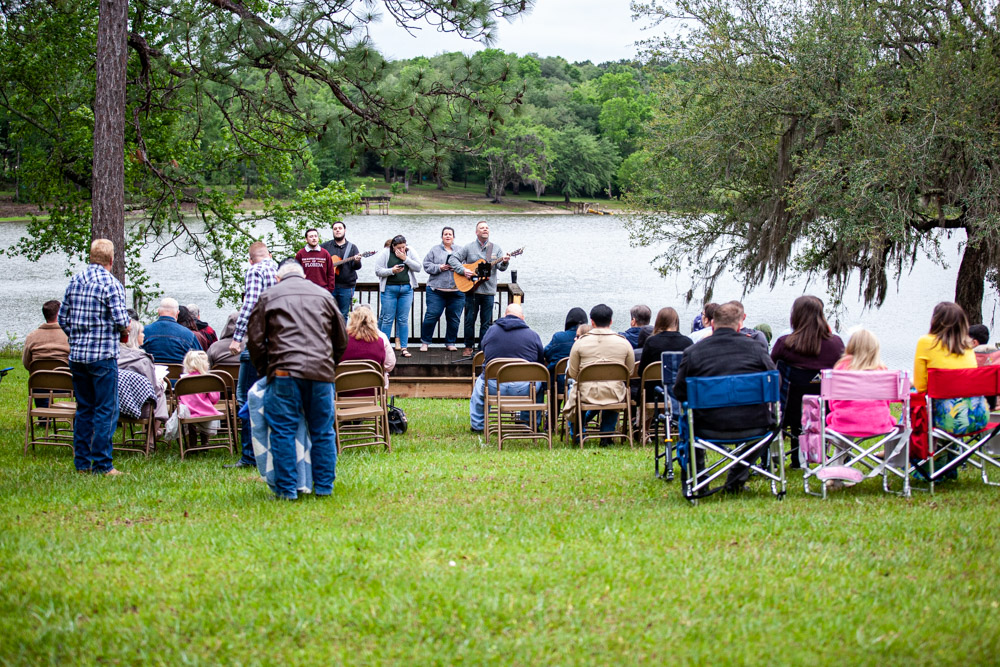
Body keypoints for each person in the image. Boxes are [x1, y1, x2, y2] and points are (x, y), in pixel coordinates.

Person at [247, 260, 349, 500]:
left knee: (283, 430)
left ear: (279, 279)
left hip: (283, 371)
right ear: (303, 276)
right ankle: (324, 487)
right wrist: (329, 364)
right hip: (321, 373)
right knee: (323, 431)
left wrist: (265, 371)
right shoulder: (324, 295)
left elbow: (255, 340)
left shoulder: (268, 296)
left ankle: (287, 489)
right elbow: (341, 338)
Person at [673, 301, 777, 491]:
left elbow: (679, 391)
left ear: (712, 324)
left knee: (688, 421)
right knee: (771, 425)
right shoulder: (757, 349)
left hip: (706, 426)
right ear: (739, 325)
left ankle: (700, 480)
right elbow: (774, 384)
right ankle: (737, 477)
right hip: (755, 425)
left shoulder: (693, 352)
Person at [57, 238, 129, 475]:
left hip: (77, 356)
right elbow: (120, 320)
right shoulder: (111, 284)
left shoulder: (75, 280)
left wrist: (76, 337)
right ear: (111, 259)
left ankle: (81, 463)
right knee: (106, 410)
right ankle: (103, 464)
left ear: (91, 257)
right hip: (102, 355)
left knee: (84, 408)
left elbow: (63, 319)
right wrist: (125, 329)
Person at [770, 295, 845, 467]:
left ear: (795, 316)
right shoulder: (836, 344)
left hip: (788, 410)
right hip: (825, 410)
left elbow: (768, 369)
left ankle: (792, 459)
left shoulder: (785, 343)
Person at [226, 240, 278, 469]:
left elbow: (249, 305)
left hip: (257, 342)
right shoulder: (277, 270)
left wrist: (237, 338)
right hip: (278, 343)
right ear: (269, 254)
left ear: (250, 259)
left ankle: (249, 455)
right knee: (270, 396)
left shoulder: (255, 271)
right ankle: (270, 448)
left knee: (248, 398)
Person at [564, 304, 635, 445]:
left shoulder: (580, 343)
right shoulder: (624, 343)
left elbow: (572, 373)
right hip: (615, 393)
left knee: (576, 391)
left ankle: (579, 434)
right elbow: (630, 372)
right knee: (613, 390)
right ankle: (606, 435)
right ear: (611, 321)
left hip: (586, 394)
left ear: (592, 322)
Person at [913, 301, 987, 434]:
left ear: (935, 320)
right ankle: (951, 454)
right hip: (977, 418)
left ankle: (898, 451)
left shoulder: (926, 342)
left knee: (912, 407)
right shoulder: (969, 346)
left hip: (947, 420)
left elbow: (921, 387)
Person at [469, 303, 544, 433]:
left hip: (494, 386)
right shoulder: (533, 335)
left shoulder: (490, 332)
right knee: (538, 383)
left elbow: (484, 351)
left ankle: (478, 425)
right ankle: (529, 423)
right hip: (524, 388)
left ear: (505, 315)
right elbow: (540, 361)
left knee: (480, 384)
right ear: (522, 318)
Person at [448, 220, 510, 357]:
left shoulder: (496, 248)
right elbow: (453, 259)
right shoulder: (468, 247)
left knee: (486, 322)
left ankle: (483, 348)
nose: (485, 230)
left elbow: (501, 268)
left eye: (487, 228)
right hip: (472, 290)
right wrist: (463, 271)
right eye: (482, 228)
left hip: (488, 291)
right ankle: (468, 347)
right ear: (477, 232)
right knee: (470, 320)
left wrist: (505, 261)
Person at [826, 328, 897, 437]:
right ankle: (890, 453)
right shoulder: (881, 370)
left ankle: (841, 453)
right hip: (879, 423)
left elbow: (832, 402)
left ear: (851, 346)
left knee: (843, 416)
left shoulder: (841, 368)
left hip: (844, 424)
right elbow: (886, 402)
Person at [374, 235, 421, 358]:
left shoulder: (409, 251)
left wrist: (405, 259)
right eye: (399, 248)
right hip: (389, 289)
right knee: (388, 319)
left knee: (403, 319)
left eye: (403, 247)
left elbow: (418, 267)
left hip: (406, 289)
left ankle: (404, 348)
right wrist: (392, 271)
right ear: (393, 246)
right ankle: (384, 348)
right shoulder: (385, 253)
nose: (401, 249)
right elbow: (378, 271)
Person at [419, 226, 465, 352]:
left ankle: (450, 342)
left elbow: (467, 266)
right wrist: (440, 267)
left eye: (450, 234)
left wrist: (456, 268)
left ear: (453, 237)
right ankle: (425, 342)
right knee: (431, 315)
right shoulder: (434, 250)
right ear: (442, 237)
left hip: (457, 291)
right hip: (436, 291)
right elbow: (426, 265)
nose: (448, 236)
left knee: (454, 318)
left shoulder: (461, 250)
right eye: (445, 234)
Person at [118, 319, 169, 425]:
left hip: (113, 404)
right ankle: (153, 435)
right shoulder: (142, 360)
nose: (143, 335)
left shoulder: (114, 356)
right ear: (134, 336)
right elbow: (154, 390)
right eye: (141, 332)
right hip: (139, 408)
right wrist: (160, 384)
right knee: (160, 393)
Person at [638, 307, 694, 399]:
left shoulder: (651, 341)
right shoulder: (687, 342)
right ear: (676, 322)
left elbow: (642, 372)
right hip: (679, 391)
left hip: (654, 392)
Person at [177, 350, 222, 449]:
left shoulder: (183, 381)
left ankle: (192, 444)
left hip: (188, 413)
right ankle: (204, 442)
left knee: (190, 424)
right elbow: (214, 398)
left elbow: (178, 397)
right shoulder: (208, 379)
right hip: (206, 411)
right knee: (206, 422)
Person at [342, 304, 388, 396]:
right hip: (372, 391)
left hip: (343, 390)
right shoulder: (379, 342)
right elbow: (385, 364)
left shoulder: (342, 340)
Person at [321, 220, 363, 315]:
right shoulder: (325, 247)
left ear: (345, 230)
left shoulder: (352, 247)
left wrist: (357, 261)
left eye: (340, 228)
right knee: (328, 314)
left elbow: (357, 267)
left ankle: (342, 330)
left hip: (347, 286)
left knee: (343, 314)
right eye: (335, 229)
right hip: (329, 286)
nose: (337, 230)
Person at [142, 297, 202, 362]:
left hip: (151, 370)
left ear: (158, 312)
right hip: (180, 371)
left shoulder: (143, 332)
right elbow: (200, 359)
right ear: (177, 313)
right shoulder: (189, 335)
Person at [22, 299, 70, 370]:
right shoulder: (70, 335)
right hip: (66, 379)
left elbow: (26, 364)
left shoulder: (31, 337)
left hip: (39, 379)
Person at [295, 228, 336, 292]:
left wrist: (330, 289)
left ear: (318, 238)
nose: (314, 238)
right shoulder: (300, 254)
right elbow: (296, 273)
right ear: (306, 239)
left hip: (322, 290)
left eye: (315, 236)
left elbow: (330, 273)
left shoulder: (325, 253)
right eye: (311, 237)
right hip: (305, 290)